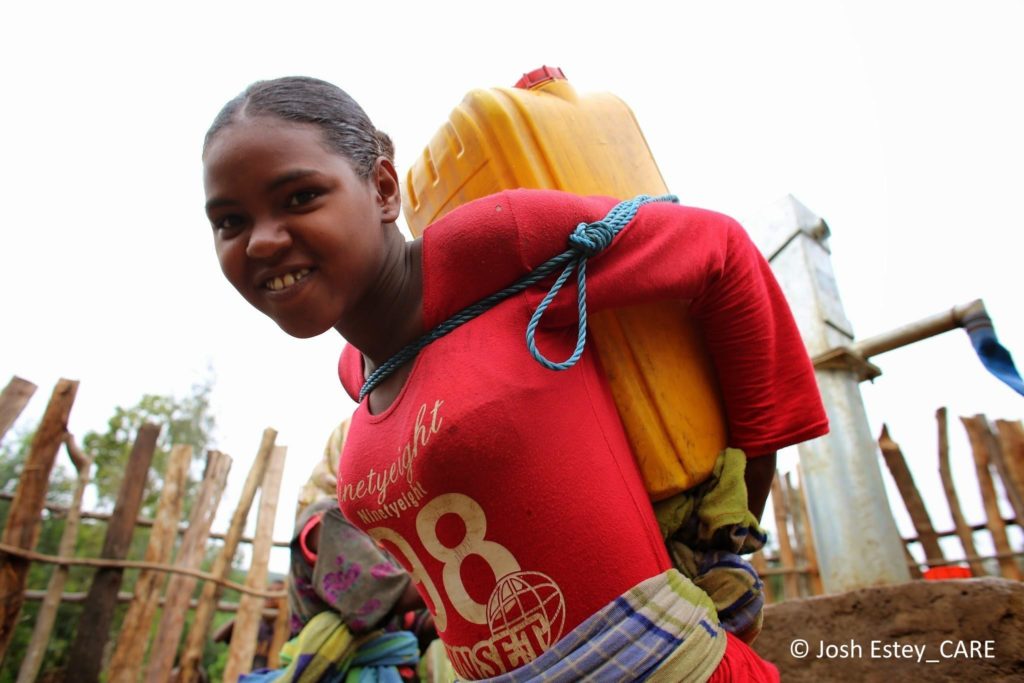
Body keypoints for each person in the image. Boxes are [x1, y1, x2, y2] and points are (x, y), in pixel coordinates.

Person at [202, 75, 829, 681]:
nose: (260, 242)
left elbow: (718, 251)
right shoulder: (358, 374)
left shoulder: (492, 251)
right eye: (230, 221)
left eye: (300, 197)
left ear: (385, 187)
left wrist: (735, 510)